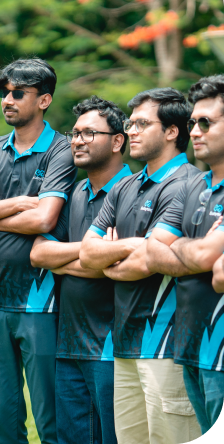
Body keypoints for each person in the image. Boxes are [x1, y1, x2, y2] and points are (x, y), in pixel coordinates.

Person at [0, 58, 76, 444]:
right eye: (4, 93)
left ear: (44, 100)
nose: (7, 100)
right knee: (3, 424)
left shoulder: (61, 149)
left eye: (18, 93)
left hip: (42, 303)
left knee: (51, 421)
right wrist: (19, 203)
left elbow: (44, 219)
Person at [80, 87, 201, 443]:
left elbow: (148, 260)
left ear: (172, 131)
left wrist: (113, 255)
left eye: (142, 124)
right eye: (130, 123)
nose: (131, 131)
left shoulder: (188, 184)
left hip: (167, 345)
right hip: (125, 344)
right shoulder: (125, 186)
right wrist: (132, 248)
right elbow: (87, 253)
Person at [30, 96, 131, 444]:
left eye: (89, 133)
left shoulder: (133, 192)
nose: (77, 141)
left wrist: (69, 260)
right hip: (69, 343)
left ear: (117, 141)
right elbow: (39, 254)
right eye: (74, 133)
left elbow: (121, 265)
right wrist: (94, 253)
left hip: (113, 346)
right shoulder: (73, 193)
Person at [146, 75, 224, 434]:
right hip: (190, 348)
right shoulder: (193, 184)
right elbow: (152, 250)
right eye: (192, 123)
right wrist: (194, 250)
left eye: (206, 122)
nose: (194, 131)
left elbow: (209, 260)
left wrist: (178, 245)